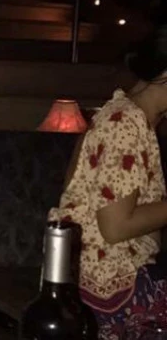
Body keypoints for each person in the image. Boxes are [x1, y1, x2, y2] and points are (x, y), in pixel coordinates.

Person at [48, 25, 167, 340]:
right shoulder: (123, 123)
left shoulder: (137, 120)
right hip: (105, 291)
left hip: (125, 277)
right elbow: (115, 227)